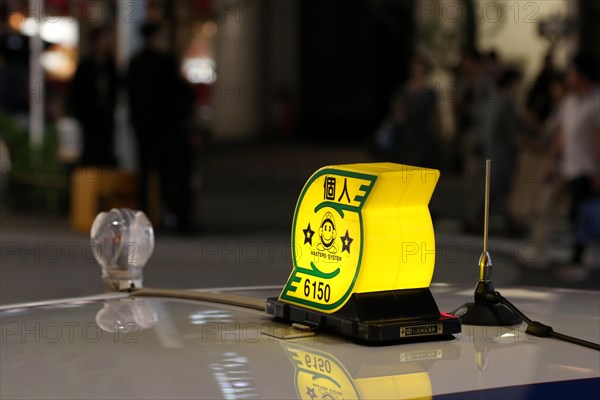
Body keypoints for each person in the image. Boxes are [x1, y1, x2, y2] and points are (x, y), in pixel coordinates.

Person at [528, 54, 600, 280]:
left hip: (586, 169)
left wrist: (598, 171)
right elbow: (562, 134)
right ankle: (547, 251)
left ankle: (579, 259)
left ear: (582, 75)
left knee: (582, 214)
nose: (569, 77)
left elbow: (598, 138)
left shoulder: (596, 102)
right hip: (567, 167)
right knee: (561, 211)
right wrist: (552, 161)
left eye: (572, 72)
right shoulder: (569, 102)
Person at [128, 22, 196, 234]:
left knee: (146, 175)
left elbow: (131, 96)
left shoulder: (136, 64)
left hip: (144, 129)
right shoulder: (166, 64)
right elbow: (181, 97)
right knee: (170, 175)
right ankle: (175, 218)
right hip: (166, 131)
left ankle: (145, 219)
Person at [68, 26, 117, 166]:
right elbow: (77, 93)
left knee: (106, 150)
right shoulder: (85, 66)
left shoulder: (109, 65)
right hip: (90, 118)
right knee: (91, 151)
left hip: (106, 117)